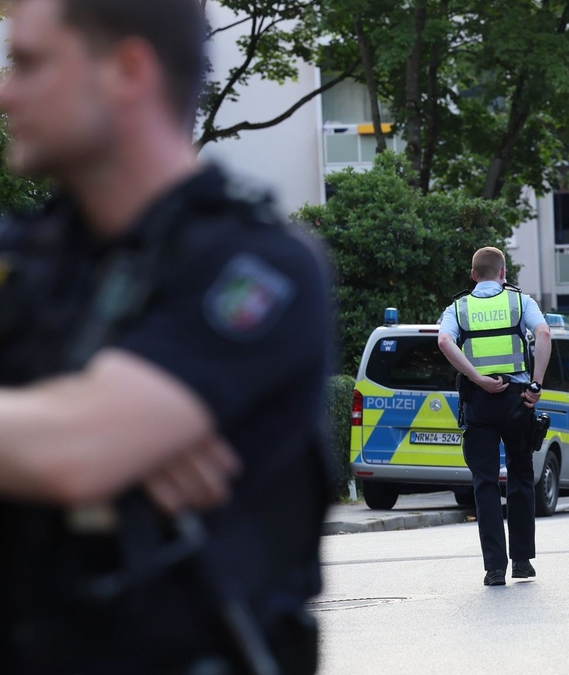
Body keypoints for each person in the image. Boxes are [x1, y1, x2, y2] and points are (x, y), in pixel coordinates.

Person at [0, 1, 333, 672]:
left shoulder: (258, 267)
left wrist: (70, 438)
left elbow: (75, 450)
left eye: (28, 63)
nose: (6, 90)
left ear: (127, 71)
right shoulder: (28, 256)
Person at [437, 247, 552, 587]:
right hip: (518, 401)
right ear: (503, 273)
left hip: (480, 401)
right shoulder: (519, 302)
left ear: (473, 275)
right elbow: (544, 334)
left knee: (485, 483)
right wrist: (536, 384)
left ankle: (495, 568)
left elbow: (444, 341)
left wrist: (477, 378)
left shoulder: (458, 307)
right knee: (519, 476)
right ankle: (521, 561)